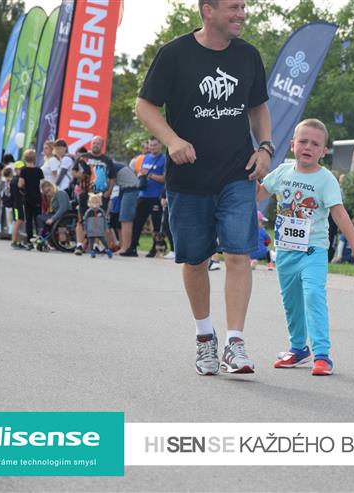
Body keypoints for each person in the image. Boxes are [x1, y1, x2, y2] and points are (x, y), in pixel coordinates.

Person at [135, 0, 273, 375]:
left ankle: (235, 343)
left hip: (237, 174)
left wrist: (265, 148)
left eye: (243, 7)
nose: (241, 14)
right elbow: (145, 106)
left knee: (238, 254)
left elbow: (258, 107)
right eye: (233, 7)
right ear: (207, 11)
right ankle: (204, 338)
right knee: (196, 260)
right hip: (189, 178)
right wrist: (172, 140)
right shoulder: (174, 54)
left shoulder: (248, 55)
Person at [258, 119, 354, 375]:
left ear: (323, 151)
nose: (308, 147)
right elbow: (257, 194)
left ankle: (322, 355)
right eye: (303, 141)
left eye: (315, 144)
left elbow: (340, 214)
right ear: (292, 145)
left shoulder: (326, 180)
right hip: (285, 252)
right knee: (291, 302)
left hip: (313, 251)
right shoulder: (282, 172)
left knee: (313, 296)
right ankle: (298, 348)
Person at [121, 137, 166, 257]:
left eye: (155, 145)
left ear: (160, 145)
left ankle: (155, 249)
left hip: (156, 196)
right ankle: (132, 248)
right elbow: (140, 173)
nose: (152, 147)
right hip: (143, 195)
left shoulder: (164, 159)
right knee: (137, 222)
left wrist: (149, 174)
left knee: (156, 225)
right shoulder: (145, 158)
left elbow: (165, 179)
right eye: (150, 145)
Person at [17, 149, 44, 248]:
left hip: (27, 197)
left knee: (28, 220)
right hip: (37, 197)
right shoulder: (39, 170)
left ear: (25, 158)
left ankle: (29, 241)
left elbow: (20, 184)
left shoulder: (24, 170)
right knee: (38, 219)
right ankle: (40, 239)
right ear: (35, 158)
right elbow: (42, 184)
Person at [112, 161, 139, 255]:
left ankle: (126, 248)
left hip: (130, 190)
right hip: (126, 190)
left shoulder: (108, 166)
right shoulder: (113, 164)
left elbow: (109, 183)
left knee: (126, 219)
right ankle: (125, 246)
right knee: (124, 219)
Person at [35, 180, 71, 250]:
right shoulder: (52, 197)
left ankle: (41, 237)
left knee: (40, 218)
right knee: (41, 217)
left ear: (52, 186)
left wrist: (52, 219)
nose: (47, 193)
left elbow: (63, 208)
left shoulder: (60, 193)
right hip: (58, 216)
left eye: (48, 189)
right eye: (46, 192)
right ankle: (42, 237)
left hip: (64, 217)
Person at [82, 193, 113, 258]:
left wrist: (106, 228)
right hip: (91, 230)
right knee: (91, 241)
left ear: (100, 203)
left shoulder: (101, 211)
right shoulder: (88, 212)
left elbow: (105, 221)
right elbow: (85, 221)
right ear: (89, 203)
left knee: (103, 240)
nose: (95, 204)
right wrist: (85, 229)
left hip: (100, 230)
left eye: (97, 202)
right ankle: (92, 251)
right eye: (93, 202)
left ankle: (107, 249)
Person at [9, 161, 27, 249]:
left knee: (20, 221)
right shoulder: (16, 180)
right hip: (16, 204)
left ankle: (18, 241)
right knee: (18, 221)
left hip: (19, 204)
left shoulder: (17, 179)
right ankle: (14, 241)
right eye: (20, 169)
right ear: (16, 170)